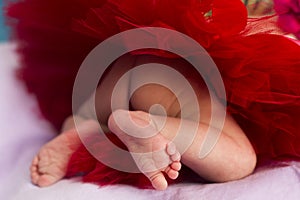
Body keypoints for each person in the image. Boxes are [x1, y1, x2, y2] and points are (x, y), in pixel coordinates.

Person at [6, 0, 300, 190]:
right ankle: (153, 125)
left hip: (128, 52)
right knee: (239, 160)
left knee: (84, 115)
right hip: (185, 72)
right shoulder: (271, 16)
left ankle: (81, 128)